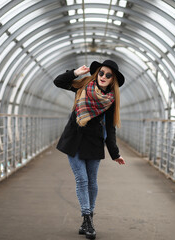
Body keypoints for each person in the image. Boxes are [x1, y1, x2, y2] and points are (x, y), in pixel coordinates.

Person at [53, 59, 125, 239]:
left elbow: (110, 129)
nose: (103, 77)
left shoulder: (110, 100)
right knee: (82, 180)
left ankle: (88, 219)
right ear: (97, 73)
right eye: (101, 72)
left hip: (94, 142)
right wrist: (76, 73)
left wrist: (115, 154)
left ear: (112, 80)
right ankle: (87, 218)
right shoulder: (84, 86)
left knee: (92, 181)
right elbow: (58, 82)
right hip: (75, 140)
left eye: (108, 75)